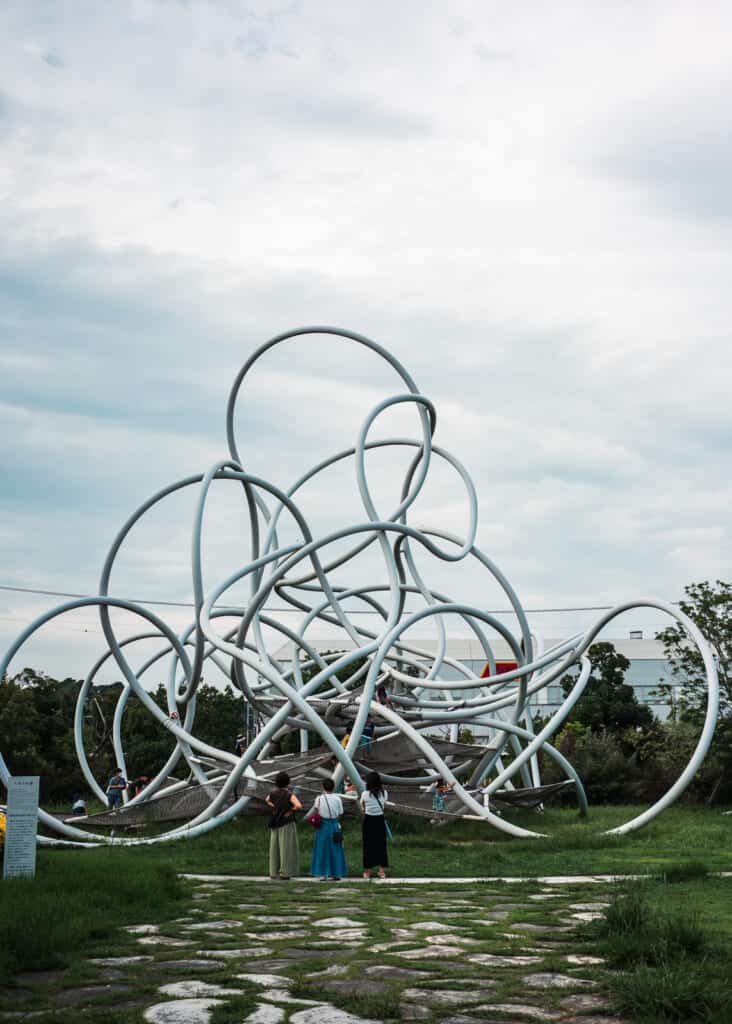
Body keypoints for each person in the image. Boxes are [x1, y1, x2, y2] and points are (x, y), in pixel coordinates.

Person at [305, 778, 347, 880]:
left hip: (323, 825)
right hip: (334, 824)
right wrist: (335, 821)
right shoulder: (337, 799)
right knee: (335, 849)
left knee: (322, 849)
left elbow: (316, 811)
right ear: (334, 787)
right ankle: (336, 873)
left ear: (323, 787)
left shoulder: (319, 799)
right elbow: (340, 813)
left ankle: (322, 874)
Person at [265, 770, 302, 879]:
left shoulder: (273, 793)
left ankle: (273, 872)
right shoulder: (289, 794)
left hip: (275, 822)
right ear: (287, 782)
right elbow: (299, 806)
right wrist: (290, 810)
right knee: (286, 847)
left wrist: (275, 806)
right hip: (286, 822)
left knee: (274, 848)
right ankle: (285, 873)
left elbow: (267, 800)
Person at [359, 770, 388, 879]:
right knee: (381, 846)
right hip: (380, 820)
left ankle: (367, 872)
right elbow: (384, 804)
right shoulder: (384, 793)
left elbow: (362, 806)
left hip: (368, 821)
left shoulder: (365, 794)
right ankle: (381, 871)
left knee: (368, 846)